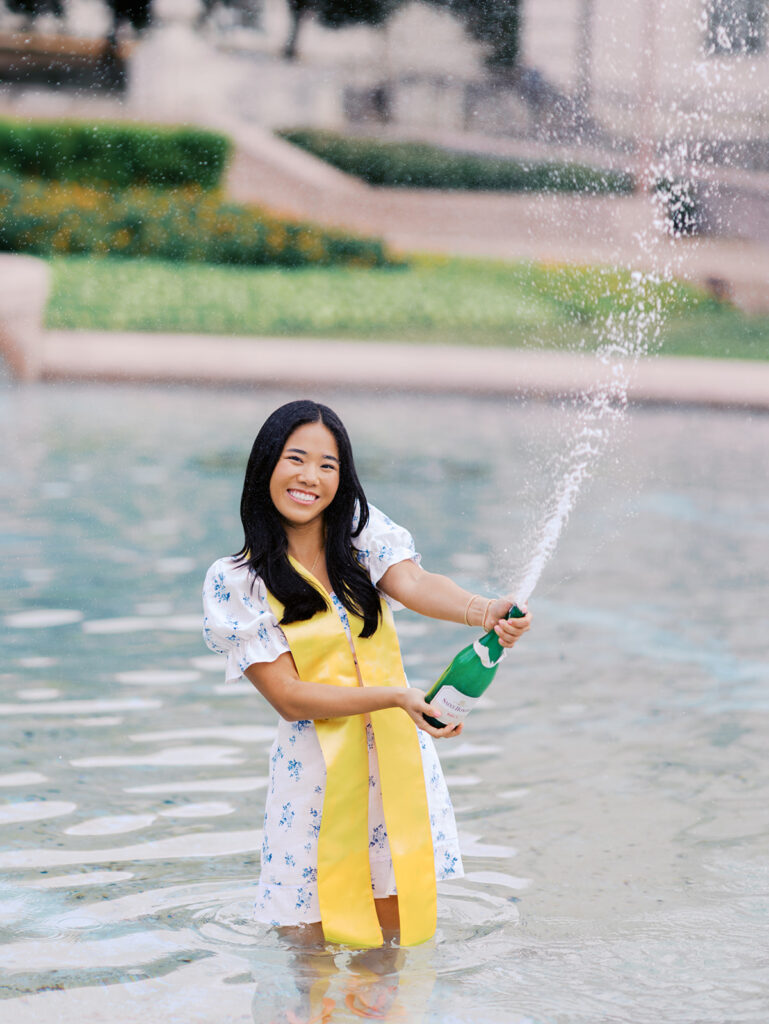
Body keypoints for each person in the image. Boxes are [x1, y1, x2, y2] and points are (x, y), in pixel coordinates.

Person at [202, 399, 531, 954]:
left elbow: (415, 584)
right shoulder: (236, 581)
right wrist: (398, 698)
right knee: (308, 955)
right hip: (314, 779)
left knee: (394, 950)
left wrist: (485, 610)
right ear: (266, 467)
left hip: (395, 762)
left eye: (328, 465)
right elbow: (288, 697)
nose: (311, 477)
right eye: (296, 459)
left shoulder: (359, 534)